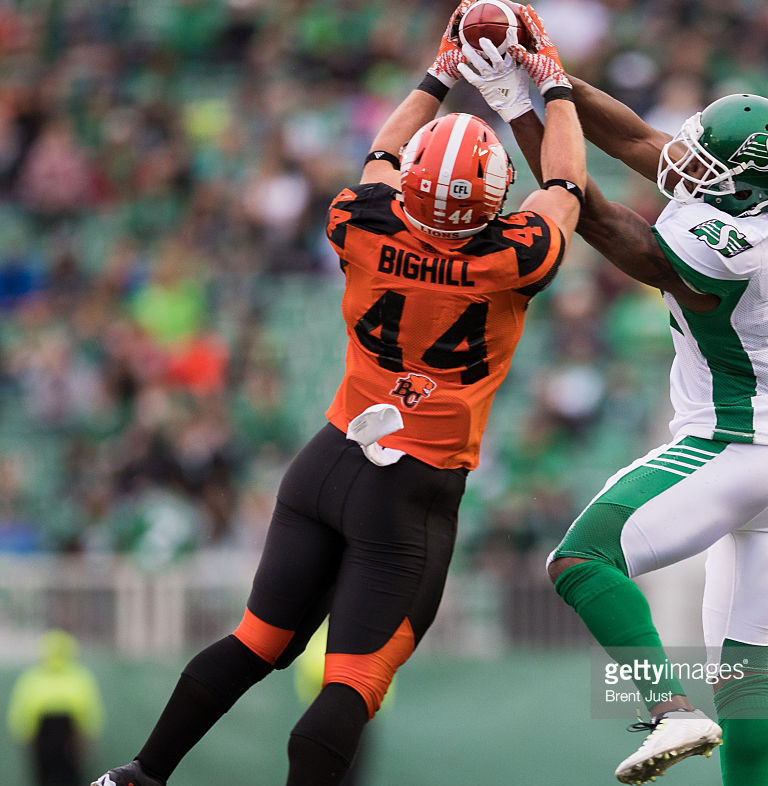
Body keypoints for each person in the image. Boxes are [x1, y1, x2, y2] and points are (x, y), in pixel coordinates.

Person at [89, 3, 585, 785]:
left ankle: (138, 776)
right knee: (351, 684)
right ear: (493, 204)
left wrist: (440, 70)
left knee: (256, 641)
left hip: (326, 462)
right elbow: (565, 183)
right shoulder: (511, 259)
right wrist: (550, 83)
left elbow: (383, 151)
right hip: (413, 490)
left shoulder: (361, 219)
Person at [459, 26, 768, 786]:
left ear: (739, 186)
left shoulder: (722, 245)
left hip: (736, 446)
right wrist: (552, 75)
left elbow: (589, 212)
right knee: (744, 676)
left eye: (710, 165)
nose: (687, 165)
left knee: (581, 559)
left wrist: (519, 102)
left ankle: (665, 709)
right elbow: (648, 142)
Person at [7, 630, 105, 786]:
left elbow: (20, 711)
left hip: (66, 740)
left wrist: (86, 736)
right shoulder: (80, 676)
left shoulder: (32, 678)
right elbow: (91, 710)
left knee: (63, 779)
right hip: (49, 739)